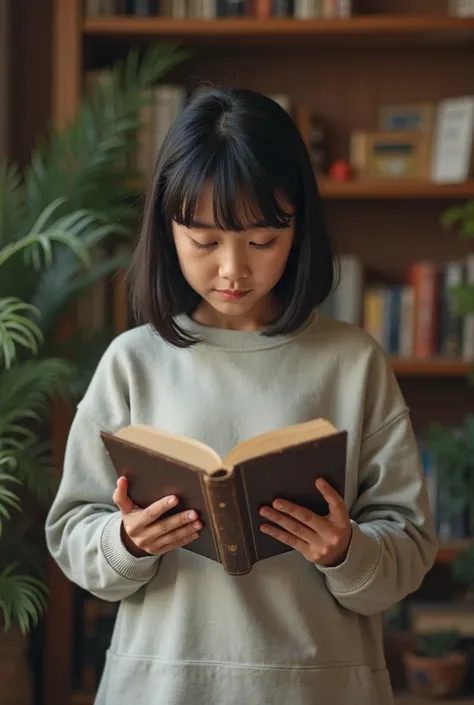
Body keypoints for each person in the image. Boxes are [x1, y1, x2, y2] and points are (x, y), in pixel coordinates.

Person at [45, 87, 438, 705]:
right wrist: (125, 543)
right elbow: (71, 532)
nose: (233, 269)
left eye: (261, 242)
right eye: (204, 242)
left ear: (298, 229)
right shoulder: (133, 362)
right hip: (163, 682)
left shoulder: (353, 362)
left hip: (318, 685)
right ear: (165, 230)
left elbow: (410, 548)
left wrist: (346, 551)